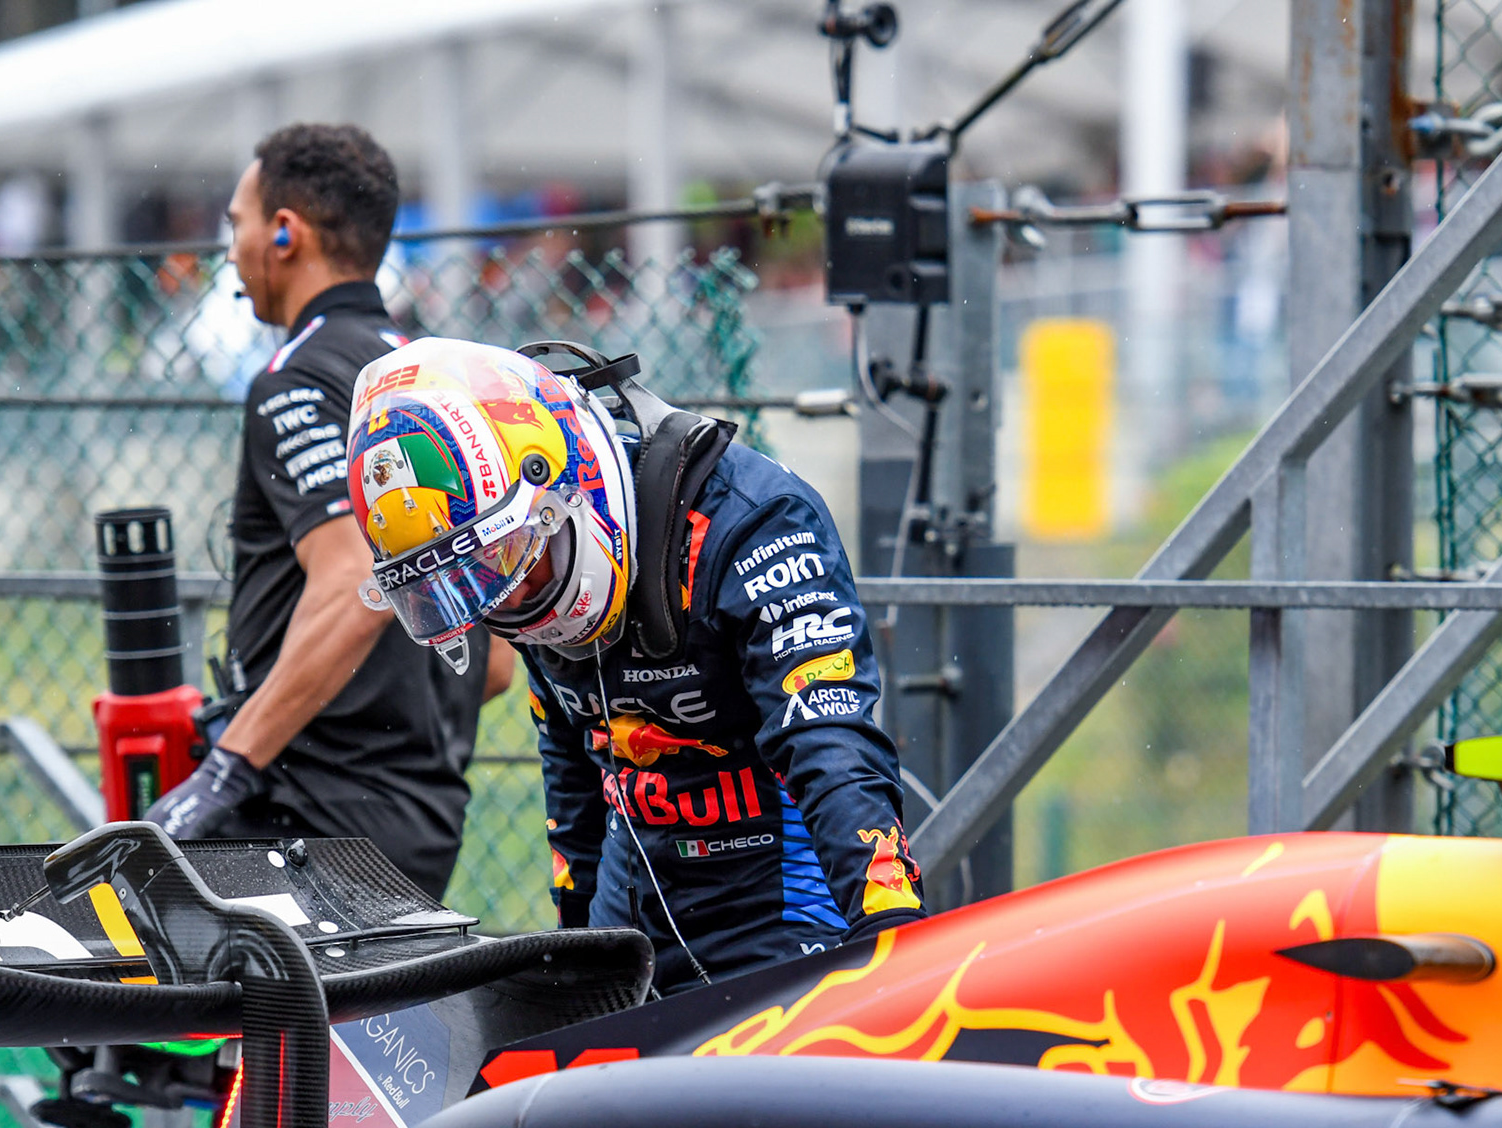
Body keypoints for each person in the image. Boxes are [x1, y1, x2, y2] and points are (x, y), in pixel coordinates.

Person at [345, 336, 925, 990]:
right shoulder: (528, 584)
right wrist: (573, 950)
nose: (505, 595)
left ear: (565, 483)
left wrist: (890, 937)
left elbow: (827, 737)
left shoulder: (753, 518)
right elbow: (568, 753)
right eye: (469, 582)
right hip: (636, 902)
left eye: (503, 557)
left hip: (781, 899)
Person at [146, 123, 510, 900]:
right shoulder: (434, 382)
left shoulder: (297, 378)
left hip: (302, 821)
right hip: (423, 820)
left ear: (286, 232)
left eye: (237, 225)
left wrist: (226, 769)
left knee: (124, 1010)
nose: (233, 250)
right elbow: (498, 661)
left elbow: (353, 582)